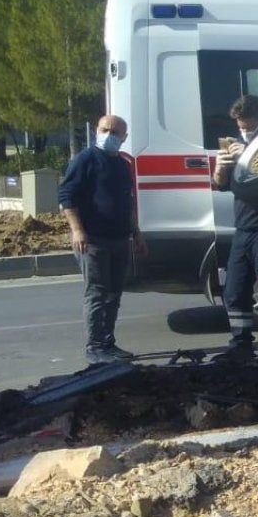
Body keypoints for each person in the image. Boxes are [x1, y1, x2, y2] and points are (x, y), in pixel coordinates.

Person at [58, 114, 148, 364]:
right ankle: (95, 347)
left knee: (113, 293)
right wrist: (78, 231)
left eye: (115, 132)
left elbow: (126, 201)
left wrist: (136, 233)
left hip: (119, 239)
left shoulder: (121, 164)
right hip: (93, 240)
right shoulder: (85, 160)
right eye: (104, 129)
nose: (109, 135)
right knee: (97, 293)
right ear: (96, 131)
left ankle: (108, 342)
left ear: (124, 137)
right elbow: (67, 196)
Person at [212, 95, 258, 357]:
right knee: (234, 290)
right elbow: (220, 184)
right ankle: (240, 344)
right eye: (241, 128)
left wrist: (247, 157)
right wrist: (221, 168)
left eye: (250, 128)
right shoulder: (236, 147)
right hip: (243, 229)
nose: (244, 133)